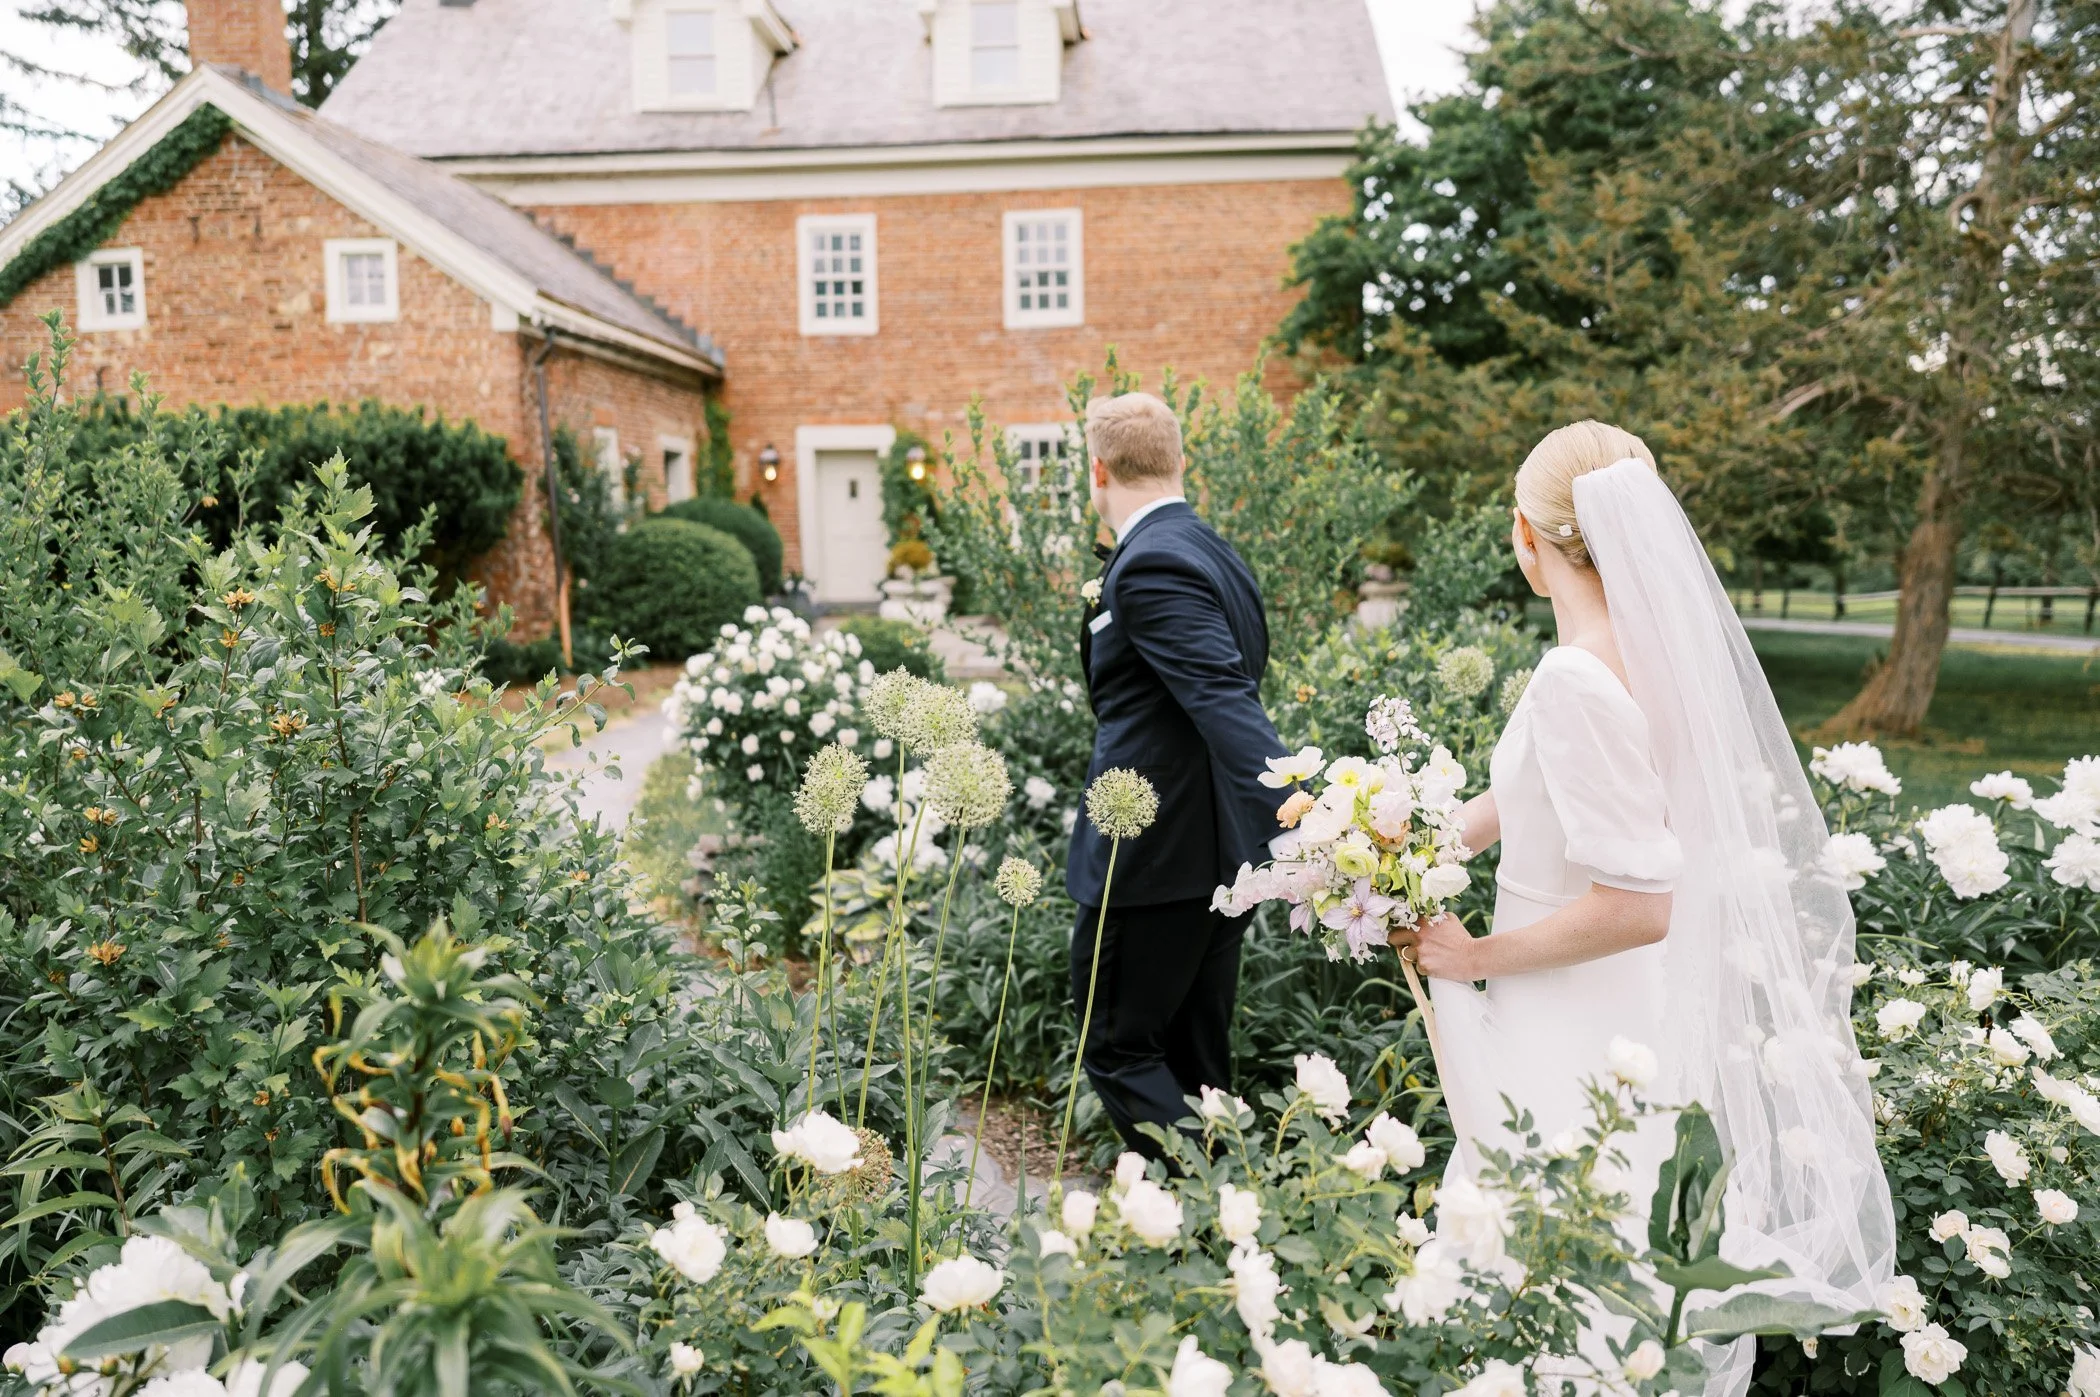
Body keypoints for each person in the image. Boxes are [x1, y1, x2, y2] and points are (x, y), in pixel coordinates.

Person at [1389, 422, 1894, 1395]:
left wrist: (1468, 951)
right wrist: (1393, 850)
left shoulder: (1575, 674)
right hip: (1630, 1009)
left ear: (1526, 539)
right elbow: (1526, 795)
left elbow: (1637, 904)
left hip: (1574, 1008)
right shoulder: (1646, 656)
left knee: (1552, 1248)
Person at [1066, 391, 1288, 1157]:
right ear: (1178, 460)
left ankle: (1209, 1209)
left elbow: (1224, 697)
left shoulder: (1153, 561)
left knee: (1120, 1049)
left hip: (1155, 859)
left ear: (1097, 468)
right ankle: (1224, 1245)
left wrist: (1300, 816)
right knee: (1197, 1062)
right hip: (1216, 855)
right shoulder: (1211, 547)